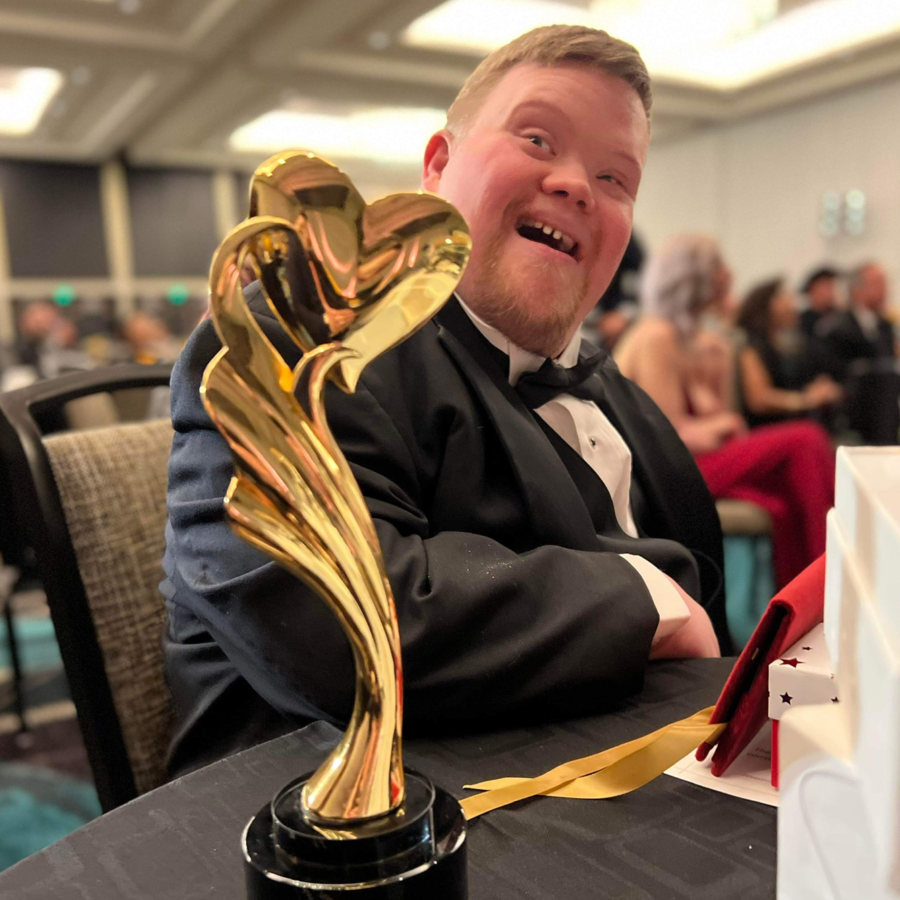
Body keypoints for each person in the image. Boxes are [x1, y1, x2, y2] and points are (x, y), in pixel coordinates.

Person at [162, 25, 726, 777]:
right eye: (536, 138)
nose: (576, 185)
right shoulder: (306, 334)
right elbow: (341, 621)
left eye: (616, 178)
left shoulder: (613, 388)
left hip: (648, 766)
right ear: (438, 165)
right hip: (343, 820)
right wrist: (646, 598)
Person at [615, 234, 834, 591]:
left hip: (698, 461)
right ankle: (824, 584)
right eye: (718, 266)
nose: (729, 275)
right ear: (695, 277)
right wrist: (721, 423)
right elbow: (671, 435)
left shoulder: (698, 339)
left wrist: (719, 366)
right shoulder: (657, 335)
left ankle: (804, 598)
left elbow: (723, 419)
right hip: (668, 471)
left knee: (787, 496)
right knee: (806, 440)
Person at [736, 278, 842, 430]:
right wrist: (806, 399)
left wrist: (818, 388)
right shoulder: (751, 346)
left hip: (791, 424)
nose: (793, 306)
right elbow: (759, 399)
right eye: (786, 298)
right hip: (766, 428)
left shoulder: (786, 344)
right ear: (770, 305)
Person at [819, 262, 899, 444]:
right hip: (853, 406)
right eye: (878, 284)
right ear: (857, 289)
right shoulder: (836, 327)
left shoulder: (886, 325)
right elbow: (834, 371)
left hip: (885, 405)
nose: (885, 289)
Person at [798, 266, 840, 339]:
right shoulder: (802, 321)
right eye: (825, 286)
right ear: (812, 290)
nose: (830, 291)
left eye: (830, 285)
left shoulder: (839, 315)